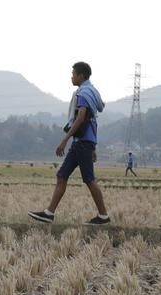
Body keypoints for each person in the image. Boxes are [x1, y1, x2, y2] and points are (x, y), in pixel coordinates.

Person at [28, 62, 110, 226]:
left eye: (73, 74)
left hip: (82, 142)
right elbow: (91, 121)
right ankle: (49, 213)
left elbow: (81, 118)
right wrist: (92, 146)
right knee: (62, 175)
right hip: (82, 141)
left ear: (81, 76)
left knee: (89, 179)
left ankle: (103, 216)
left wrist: (64, 140)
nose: (71, 77)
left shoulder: (84, 94)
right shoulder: (91, 91)